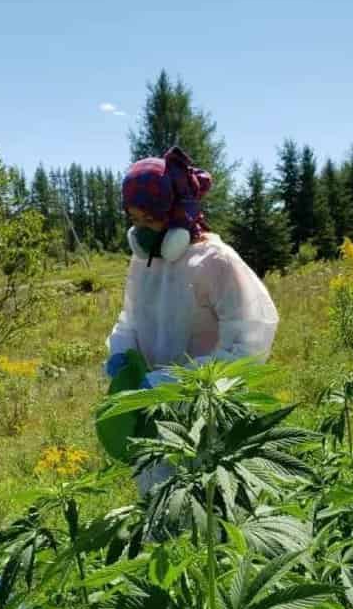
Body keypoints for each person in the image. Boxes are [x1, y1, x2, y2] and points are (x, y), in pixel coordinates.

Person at [104, 146, 278, 494]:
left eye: (150, 220)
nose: (141, 232)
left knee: (207, 505)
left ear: (177, 211)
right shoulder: (144, 262)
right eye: (135, 222)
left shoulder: (216, 262)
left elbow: (248, 341)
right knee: (160, 501)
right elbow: (131, 318)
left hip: (207, 408)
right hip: (151, 407)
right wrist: (119, 353)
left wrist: (174, 383)